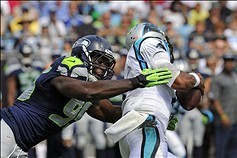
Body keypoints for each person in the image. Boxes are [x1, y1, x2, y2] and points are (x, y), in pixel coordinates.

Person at [0, 34, 173, 158]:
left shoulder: (90, 89)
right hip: (7, 129)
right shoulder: (69, 66)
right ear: (82, 55)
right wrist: (137, 81)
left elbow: (110, 113)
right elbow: (87, 90)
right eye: (99, 60)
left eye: (107, 63)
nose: (102, 67)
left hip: (21, 144)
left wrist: (152, 114)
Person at [104, 22, 205, 158]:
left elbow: (188, 103)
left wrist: (195, 87)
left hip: (142, 126)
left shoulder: (145, 67)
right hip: (147, 125)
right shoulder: (149, 41)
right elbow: (179, 81)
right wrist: (196, 79)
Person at [209, 52, 237, 158]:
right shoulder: (218, 78)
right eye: (227, 62)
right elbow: (214, 99)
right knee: (221, 149)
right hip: (223, 120)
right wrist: (223, 116)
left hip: (235, 119)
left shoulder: (235, 76)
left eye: (231, 62)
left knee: (234, 150)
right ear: (224, 63)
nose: (230, 64)